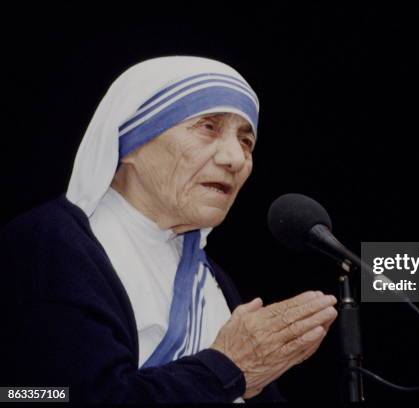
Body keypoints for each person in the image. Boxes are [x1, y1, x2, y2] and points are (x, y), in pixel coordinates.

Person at [0, 56, 338, 403]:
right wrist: (227, 368)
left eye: (246, 142)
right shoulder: (48, 243)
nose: (235, 158)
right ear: (132, 138)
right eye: (208, 126)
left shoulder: (212, 280)